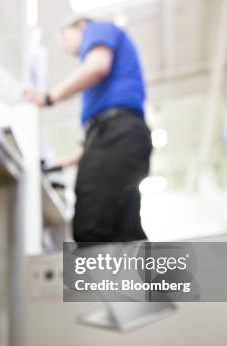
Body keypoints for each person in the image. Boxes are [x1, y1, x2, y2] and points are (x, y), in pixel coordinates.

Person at [24, 17, 152, 243]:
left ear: (79, 26)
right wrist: (67, 161)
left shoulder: (97, 29)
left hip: (116, 131)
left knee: (91, 228)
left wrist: (49, 97)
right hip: (122, 135)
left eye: (65, 39)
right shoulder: (111, 96)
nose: (67, 49)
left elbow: (97, 66)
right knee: (124, 229)